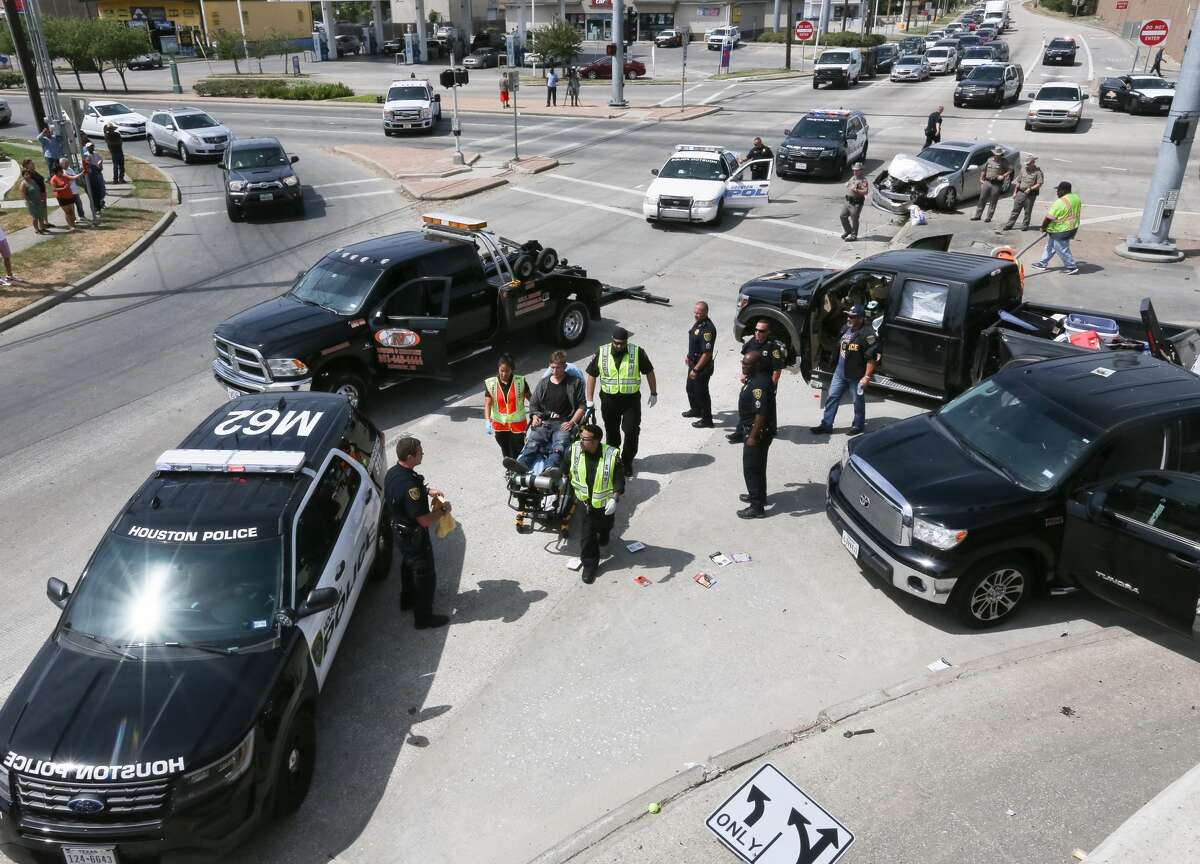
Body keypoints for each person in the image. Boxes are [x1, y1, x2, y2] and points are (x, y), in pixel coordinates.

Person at [384, 436, 451, 629]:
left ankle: (407, 600)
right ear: (411, 456)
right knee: (424, 575)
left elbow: (407, 489)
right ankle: (423, 618)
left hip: (399, 532)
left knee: (407, 566)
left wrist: (427, 491)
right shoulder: (410, 487)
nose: (423, 454)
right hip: (414, 537)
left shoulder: (394, 473)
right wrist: (443, 510)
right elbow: (423, 520)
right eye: (420, 452)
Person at [585, 326, 657, 478]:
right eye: (616, 343)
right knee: (612, 432)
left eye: (622, 343)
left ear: (626, 342)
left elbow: (649, 371)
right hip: (609, 399)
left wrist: (653, 392)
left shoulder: (637, 352)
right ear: (612, 341)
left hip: (630, 401)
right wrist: (589, 400)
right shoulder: (602, 352)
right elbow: (592, 375)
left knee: (631, 430)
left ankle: (627, 460)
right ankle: (614, 460)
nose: (619, 346)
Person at [508, 351, 586, 475]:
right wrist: (534, 416)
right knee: (532, 444)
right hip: (544, 422)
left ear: (564, 367)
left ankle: (550, 469)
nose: (554, 371)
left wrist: (572, 422)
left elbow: (582, 406)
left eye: (557, 368)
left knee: (559, 447)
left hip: (563, 423)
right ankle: (522, 465)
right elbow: (533, 404)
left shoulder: (575, 383)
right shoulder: (544, 383)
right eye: (552, 368)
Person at [810, 304, 880, 436]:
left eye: (852, 316)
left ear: (860, 318)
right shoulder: (845, 328)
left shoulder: (868, 334)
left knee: (857, 401)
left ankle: (858, 425)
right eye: (848, 315)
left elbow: (871, 358)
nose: (849, 318)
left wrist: (866, 377)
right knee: (832, 397)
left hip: (856, 375)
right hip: (839, 373)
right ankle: (826, 425)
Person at [568, 423, 624, 584]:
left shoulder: (611, 455)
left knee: (605, 525)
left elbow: (619, 479)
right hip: (586, 504)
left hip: (605, 504)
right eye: (581, 437)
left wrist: (614, 498)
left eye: (584, 439)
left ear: (595, 441)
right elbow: (564, 467)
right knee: (587, 537)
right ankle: (590, 565)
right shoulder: (575, 449)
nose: (581, 441)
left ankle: (605, 533)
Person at [729, 322, 785, 443]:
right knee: (748, 406)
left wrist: (773, 386)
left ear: (768, 332)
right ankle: (740, 432)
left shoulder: (772, 346)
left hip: (766, 381)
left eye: (761, 331)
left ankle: (770, 429)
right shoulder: (752, 342)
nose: (758, 333)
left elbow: (777, 369)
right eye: (756, 330)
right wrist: (744, 374)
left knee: (765, 407)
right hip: (752, 379)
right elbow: (745, 361)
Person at [737, 351, 776, 519]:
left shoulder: (759, 385)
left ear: (757, 366)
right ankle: (759, 496)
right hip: (758, 430)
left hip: (757, 432)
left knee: (751, 469)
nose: (743, 366)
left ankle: (756, 507)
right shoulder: (757, 379)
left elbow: (761, 414)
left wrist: (753, 436)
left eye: (746, 364)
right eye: (743, 362)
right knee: (758, 467)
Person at [483, 354, 528, 461]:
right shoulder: (491, 383)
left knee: (518, 449)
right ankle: (510, 470)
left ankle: (518, 470)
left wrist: (539, 410)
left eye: (507, 371)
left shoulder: (520, 381)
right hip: (500, 425)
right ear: (498, 369)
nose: (504, 374)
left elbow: (531, 398)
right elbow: (488, 404)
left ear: (512, 370)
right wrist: (487, 421)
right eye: (501, 370)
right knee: (505, 450)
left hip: (518, 425)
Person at [1034, 180, 1082, 275]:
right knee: (1050, 245)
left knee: (1060, 248)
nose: (1057, 192)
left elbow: (1048, 218)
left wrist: (1043, 228)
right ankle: (1042, 263)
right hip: (1071, 227)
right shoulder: (1076, 198)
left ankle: (1071, 266)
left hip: (1062, 229)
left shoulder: (1060, 202)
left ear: (1064, 191)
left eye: (1058, 190)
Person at [682, 301, 716, 428]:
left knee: (701, 392)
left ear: (706, 313)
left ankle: (707, 419)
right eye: (695, 312)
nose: (696, 315)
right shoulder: (698, 323)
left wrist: (696, 370)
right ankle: (695, 409)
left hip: (701, 367)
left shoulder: (708, 329)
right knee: (690, 389)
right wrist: (688, 355)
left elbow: (706, 353)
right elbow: (694, 342)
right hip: (693, 362)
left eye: (699, 313)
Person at [1003, 154, 1043, 231]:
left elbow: (1039, 184)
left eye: (1029, 163)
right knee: (1015, 210)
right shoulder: (1023, 170)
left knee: (1027, 211)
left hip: (1030, 195)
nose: (1027, 165)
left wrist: (1030, 189)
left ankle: (1025, 226)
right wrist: (1015, 192)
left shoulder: (1038, 172)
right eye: (1027, 164)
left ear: (1033, 162)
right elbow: (1018, 182)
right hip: (1020, 193)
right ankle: (1009, 225)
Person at [972, 146, 1011, 222]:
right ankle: (977, 215)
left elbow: (1010, 170)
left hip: (996, 184)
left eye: (999, 154)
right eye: (996, 154)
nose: (997, 155)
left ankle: (988, 217)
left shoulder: (1003, 161)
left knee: (993, 201)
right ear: (994, 153)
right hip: (987, 182)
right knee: (982, 199)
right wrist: (981, 178)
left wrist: (1003, 176)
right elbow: (984, 169)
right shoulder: (989, 160)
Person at [840, 162, 869, 241]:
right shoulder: (853, 178)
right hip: (848, 201)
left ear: (861, 170)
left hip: (856, 203)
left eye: (857, 170)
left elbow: (865, 192)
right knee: (842, 216)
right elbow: (850, 184)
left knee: (854, 218)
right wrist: (848, 184)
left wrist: (856, 189)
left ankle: (853, 235)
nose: (855, 172)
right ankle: (848, 230)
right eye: (854, 170)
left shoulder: (863, 180)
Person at [48, 163, 79, 231]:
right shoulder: (53, 179)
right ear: (56, 172)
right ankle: (70, 226)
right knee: (67, 212)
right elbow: (54, 189)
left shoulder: (64, 176)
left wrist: (82, 173)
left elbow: (73, 177)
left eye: (61, 170)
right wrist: (63, 188)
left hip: (69, 196)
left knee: (72, 211)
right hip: (61, 198)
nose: (62, 171)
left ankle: (73, 224)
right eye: (60, 170)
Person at [19, 167, 49, 234]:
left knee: (41, 215)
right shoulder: (23, 184)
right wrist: (29, 202)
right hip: (32, 203)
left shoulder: (33, 181)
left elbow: (37, 189)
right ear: (23, 175)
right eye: (26, 174)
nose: (28, 175)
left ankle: (42, 228)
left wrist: (41, 197)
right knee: (35, 217)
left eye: (29, 174)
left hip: (38, 200)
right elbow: (23, 195)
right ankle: (36, 229)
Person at [83, 143, 106, 212]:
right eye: (90, 147)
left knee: (102, 189)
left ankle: (101, 202)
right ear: (87, 148)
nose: (92, 148)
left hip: (97, 174)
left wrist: (100, 165)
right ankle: (95, 208)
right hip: (90, 180)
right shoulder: (85, 155)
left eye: (92, 146)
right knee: (93, 196)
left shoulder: (96, 154)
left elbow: (100, 163)